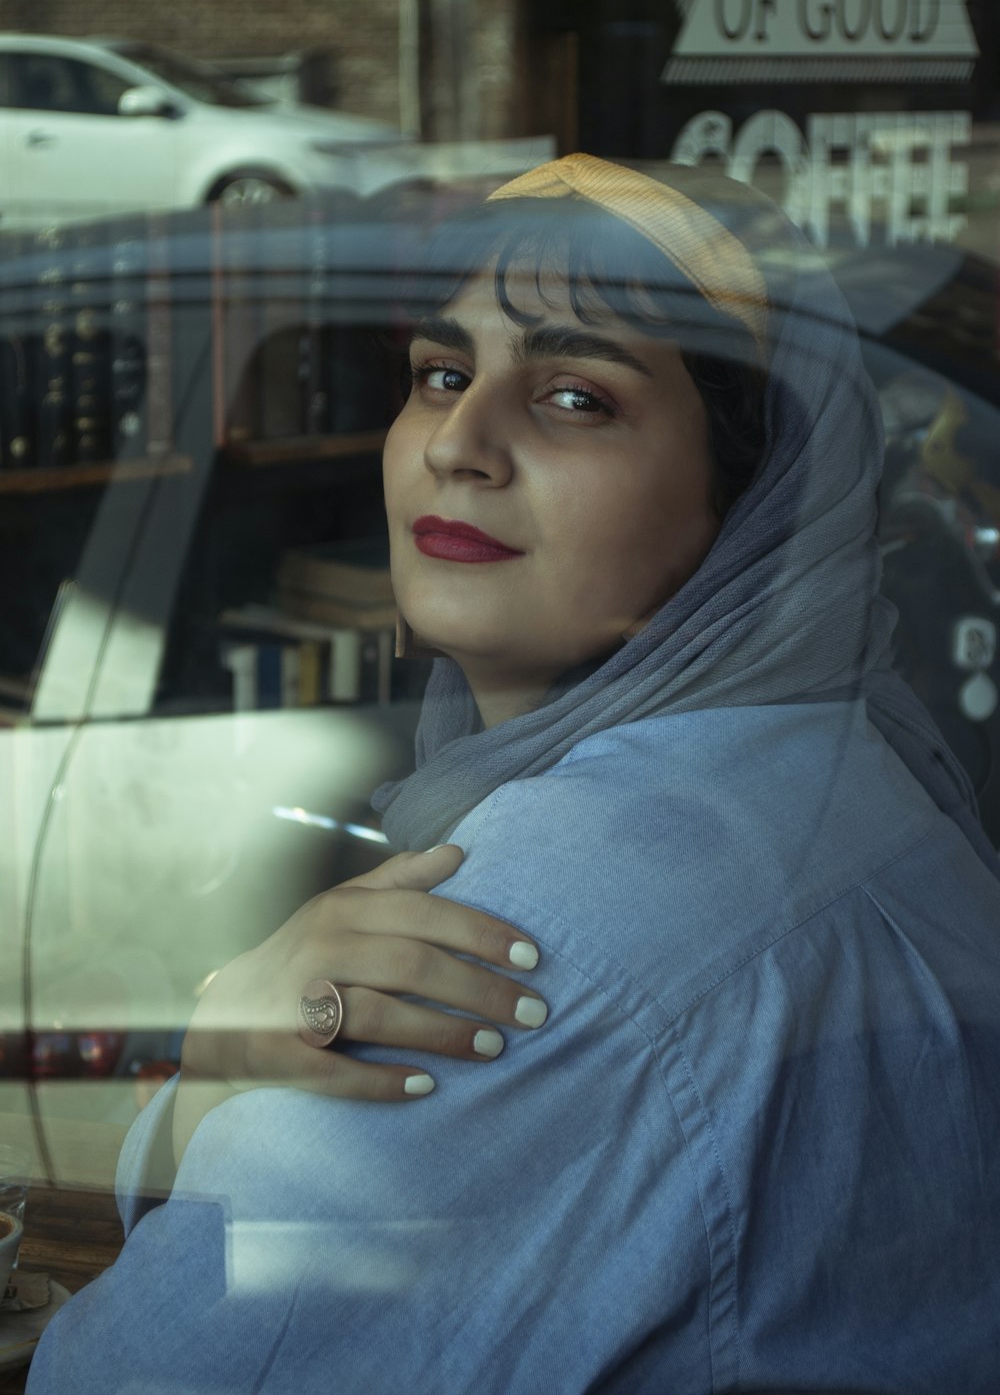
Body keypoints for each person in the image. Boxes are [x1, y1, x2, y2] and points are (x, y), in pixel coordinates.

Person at [29, 155, 1000, 1393]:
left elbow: (133, 1376)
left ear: (748, 505)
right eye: (442, 374)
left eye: (575, 396)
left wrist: (215, 1057)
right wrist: (223, 1061)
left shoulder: (534, 931)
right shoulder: (830, 771)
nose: (460, 444)